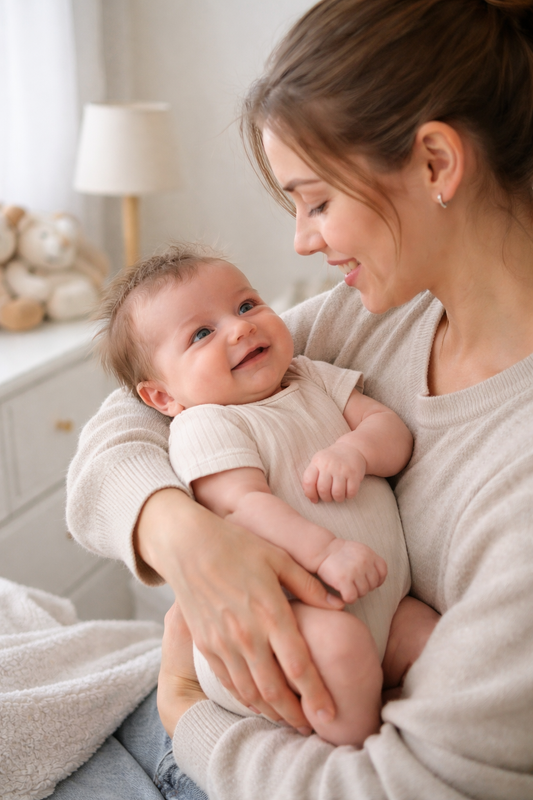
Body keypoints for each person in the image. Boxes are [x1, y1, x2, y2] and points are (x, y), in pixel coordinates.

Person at [66, 0, 533, 797]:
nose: (302, 241)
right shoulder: (378, 318)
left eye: (315, 201)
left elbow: (402, 785)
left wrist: (187, 712)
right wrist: (186, 538)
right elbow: (133, 415)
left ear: (433, 163)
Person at [93, 244, 435, 746]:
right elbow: (242, 507)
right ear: (163, 397)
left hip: (389, 603)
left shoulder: (309, 376)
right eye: (202, 333)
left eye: (247, 304)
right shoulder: (204, 423)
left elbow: (392, 430)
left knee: (436, 640)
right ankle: (353, 755)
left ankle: (403, 733)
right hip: (289, 620)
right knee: (341, 650)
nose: (240, 327)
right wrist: (328, 551)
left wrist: (357, 451)